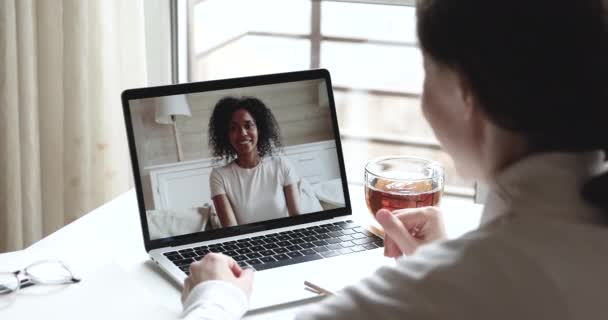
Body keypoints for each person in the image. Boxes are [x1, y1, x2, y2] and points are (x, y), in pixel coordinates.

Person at [181, 0, 608, 319]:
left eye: (426, 68)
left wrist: (217, 296)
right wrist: (443, 258)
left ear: (465, 92)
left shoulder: (427, 294)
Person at [207, 96, 301, 227]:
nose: (242, 133)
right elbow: (232, 232)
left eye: (248, 125)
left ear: (259, 129)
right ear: (226, 135)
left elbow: (297, 219)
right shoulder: (219, 176)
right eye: (233, 128)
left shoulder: (281, 165)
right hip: (246, 245)